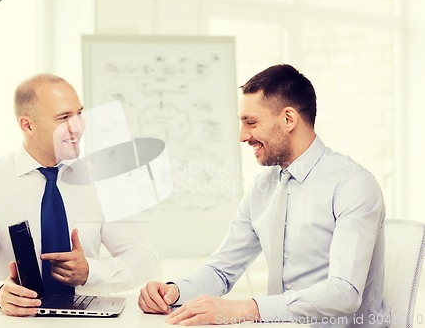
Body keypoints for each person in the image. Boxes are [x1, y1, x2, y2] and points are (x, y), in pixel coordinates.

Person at [138, 64, 389, 327]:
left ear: (288, 119)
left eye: (251, 122)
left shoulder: (352, 184)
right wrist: (174, 291)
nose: (243, 136)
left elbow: (344, 292)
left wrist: (246, 309)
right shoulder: (263, 188)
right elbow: (221, 271)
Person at [0, 74, 158, 316]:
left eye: (79, 114)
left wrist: (91, 273)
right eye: (63, 118)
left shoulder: (102, 180)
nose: (77, 127)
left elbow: (144, 257)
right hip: (16, 322)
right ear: (27, 125)